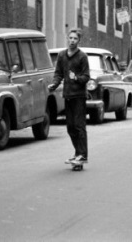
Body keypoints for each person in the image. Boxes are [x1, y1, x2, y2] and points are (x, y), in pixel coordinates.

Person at [48, 28, 90, 165]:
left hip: (79, 96)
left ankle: (83, 155)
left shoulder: (82, 57)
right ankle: (77, 152)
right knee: (70, 127)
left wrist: (76, 78)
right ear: (68, 38)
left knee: (79, 126)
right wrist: (54, 85)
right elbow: (58, 73)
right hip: (68, 95)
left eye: (75, 39)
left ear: (79, 40)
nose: (72, 41)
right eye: (70, 38)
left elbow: (86, 77)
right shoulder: (62, 56)